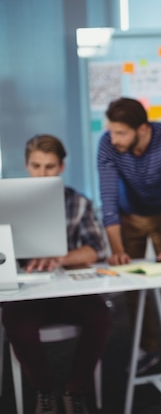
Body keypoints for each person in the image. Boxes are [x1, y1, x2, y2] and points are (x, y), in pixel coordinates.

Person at [2, 134, 111, 414]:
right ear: (26, 165)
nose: (42, 174)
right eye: (36, 166)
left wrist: (60, 257)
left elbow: (96, 249)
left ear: (61, 167)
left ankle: (74, 389)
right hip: (29, 292)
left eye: (49, 167)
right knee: (14, 319)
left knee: (100, 315)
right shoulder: (7, 202)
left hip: (67, 289)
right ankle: (45, 390)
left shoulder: (78, 203)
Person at [96, 97, 161, 396]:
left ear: (142, 129)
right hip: (127, 217)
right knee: (133, 287)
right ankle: (148, 348)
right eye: (111, 132)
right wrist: (116, 250)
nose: (113, 139)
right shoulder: (107, 144)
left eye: (121, 133)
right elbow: (109, 202)